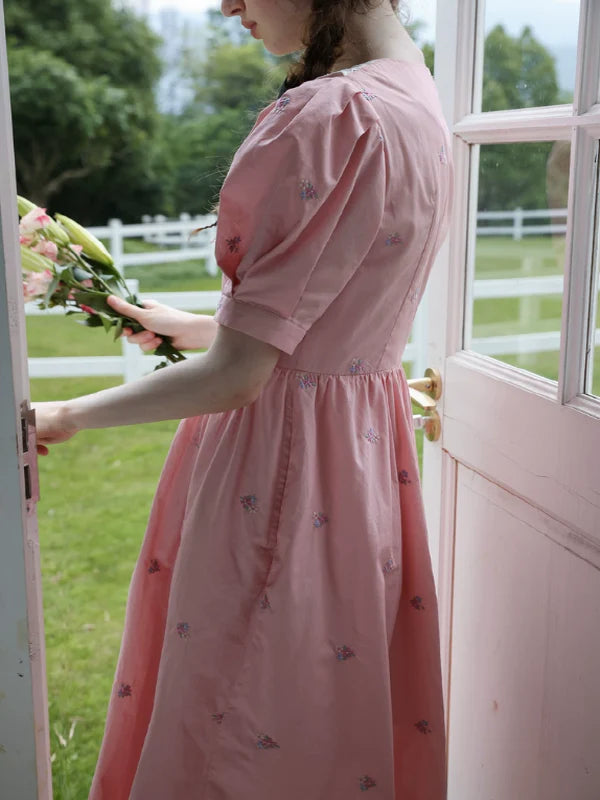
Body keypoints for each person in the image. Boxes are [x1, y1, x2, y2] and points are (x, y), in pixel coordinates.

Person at [33, 0, 454, 796]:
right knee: (311, 712)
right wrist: (201, 326)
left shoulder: (330, 115)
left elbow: (238, 377)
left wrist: (62, 415)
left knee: (231, 725)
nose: (227, 5)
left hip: (280, 478)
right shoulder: (416, 100)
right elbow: (332, 324)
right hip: (357, 474)